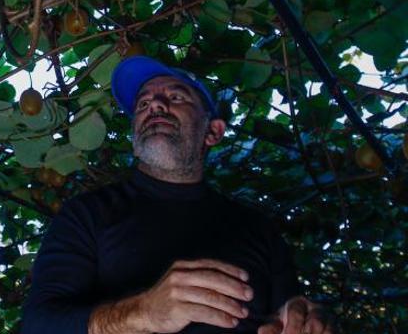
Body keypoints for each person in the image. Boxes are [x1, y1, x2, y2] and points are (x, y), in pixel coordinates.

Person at [20, 56, 335, 334]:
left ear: (212, 132)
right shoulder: (87, 214)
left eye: (176, 97)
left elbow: (290, 312)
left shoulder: (258, 229)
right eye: (143, 104)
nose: (155, 104)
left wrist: (307, 320)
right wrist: (143, 313)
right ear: (133, 139)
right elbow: (38, 325)